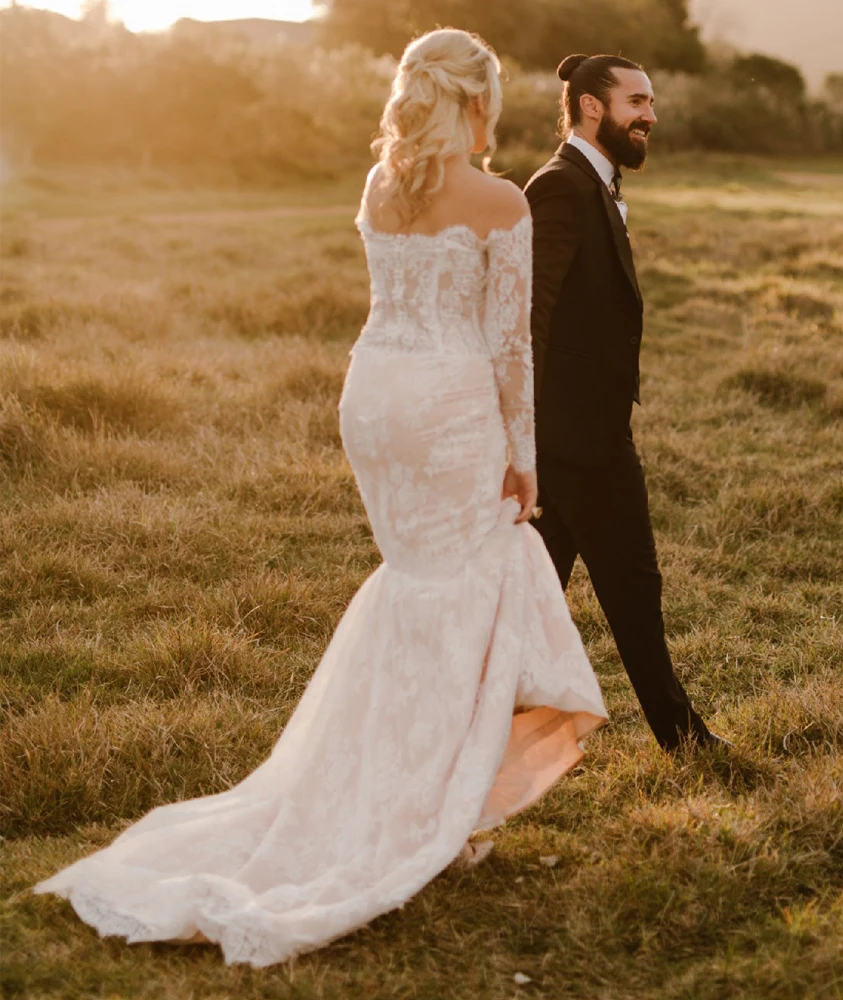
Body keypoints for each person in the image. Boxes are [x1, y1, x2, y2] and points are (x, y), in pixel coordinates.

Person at [34, 29, 607, 968]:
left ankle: (421, 792)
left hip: (373, 399)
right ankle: (426, 808)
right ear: (477, 105)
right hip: (448, 410)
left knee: (420, 583)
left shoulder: (384, 186)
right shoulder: (503, 201)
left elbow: (389, 303)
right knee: (469, 581)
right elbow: (510, 351)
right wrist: (524, 457)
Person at [524, 53, 728, 751]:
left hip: (576, 436)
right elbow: (531, 312)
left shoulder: (593, 183)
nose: (651, 115)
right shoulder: (561, 187)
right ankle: (683, 739)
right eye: (637, 101)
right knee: (634, 589)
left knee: (530, 603)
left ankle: (476, 740)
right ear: (589, 106)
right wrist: (526, 432)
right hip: (577, 443)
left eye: (651, 101)